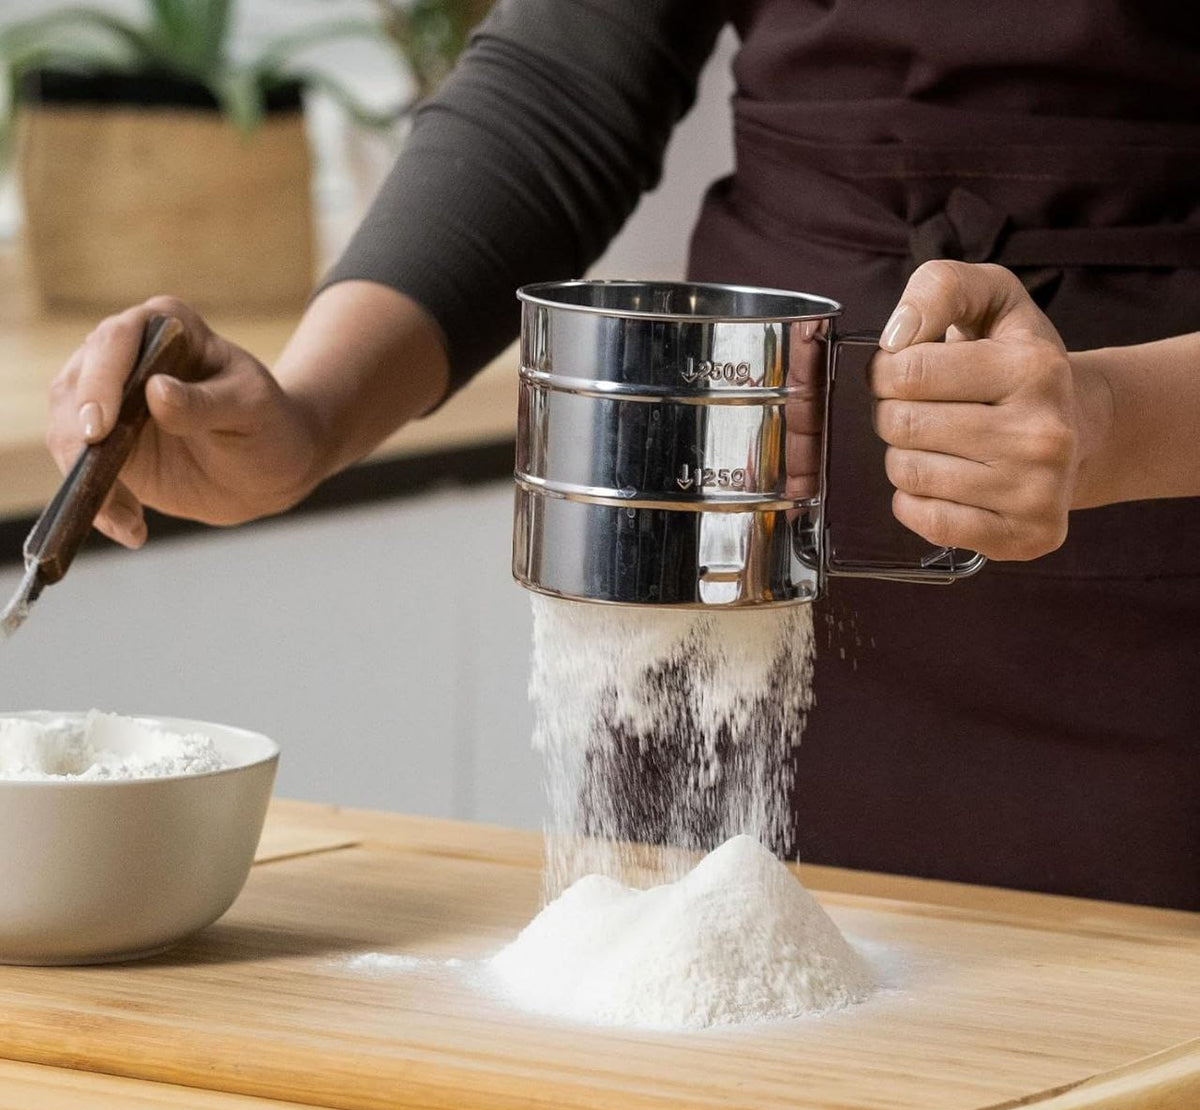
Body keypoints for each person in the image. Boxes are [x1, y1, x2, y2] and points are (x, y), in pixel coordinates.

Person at [45, 2, 1199, 908]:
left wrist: (1110, 419)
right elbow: (563, 83)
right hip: (724, 556)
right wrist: (309, 410)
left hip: (1154, 612)